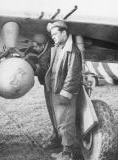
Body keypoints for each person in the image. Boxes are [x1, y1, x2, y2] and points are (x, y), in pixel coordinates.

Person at [45, 21, 82, 160]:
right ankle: (65, 151)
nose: (52, 37)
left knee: (65, 121)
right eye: (52, 34)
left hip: (63, 92)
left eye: (55, 34)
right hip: (56, 90)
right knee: (61, 121)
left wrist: (66, 93)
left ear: (64, 33)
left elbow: (73, 74)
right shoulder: (59, 47)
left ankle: (67, 154)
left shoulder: (72, 49)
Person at [24, 34, 61, 149]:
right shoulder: (46, 49)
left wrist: (35, 67)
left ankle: (58, 139)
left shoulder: (48, 53)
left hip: (52, 86)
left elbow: (46, 69)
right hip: (49, 84)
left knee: (54, 112)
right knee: (53, 112)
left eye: (36, 47)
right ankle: (56, 134)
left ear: (43, 45)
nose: (34, 48)